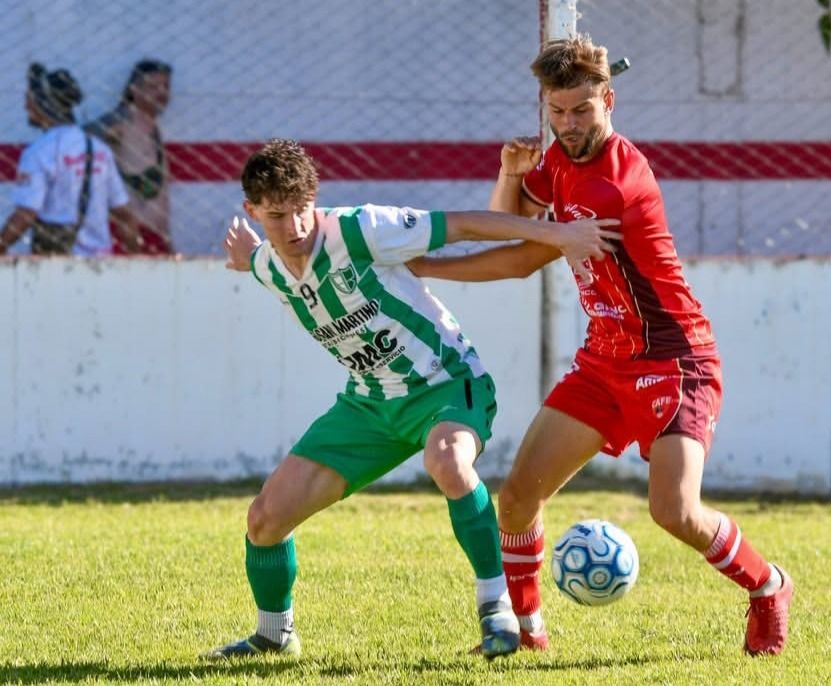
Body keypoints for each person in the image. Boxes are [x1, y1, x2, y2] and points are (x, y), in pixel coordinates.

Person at [409, 35, 794, 657]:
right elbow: (510, 218)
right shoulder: (559, 161)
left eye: (582, 110)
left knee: (674, 511)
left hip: (674, 360)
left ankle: (768, 584)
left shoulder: (612, 185)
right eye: (557, 111)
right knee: (518, 498)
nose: (568, 125)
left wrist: (426, 267)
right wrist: (512, 173)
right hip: (604, 359)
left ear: (608, 101)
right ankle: (526, 633)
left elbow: (518, 258)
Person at [204, 138, 618, 660]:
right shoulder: (269, 263)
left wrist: (558, 234)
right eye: (276, 216)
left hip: (447, 384)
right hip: (370, 405)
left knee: (447, 460)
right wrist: (245, 257)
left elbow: (463, 225)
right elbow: (256, 260)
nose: (295, 227)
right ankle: (273, 636)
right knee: (265, 519)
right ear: (253, 211)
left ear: (315, 199)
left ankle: (497, 610)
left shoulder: (360, 229)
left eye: (301, 210)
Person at [0, 64, 138, 256]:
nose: (26, 107)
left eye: (29, 100)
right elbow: (124, 214)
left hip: (58, 260)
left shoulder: (39, 152)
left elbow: (26, 213)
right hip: (101, 259)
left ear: (43, 103)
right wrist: (136, 258)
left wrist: (2, 245)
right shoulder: (98, 149)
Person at [86, 59, 173, 255]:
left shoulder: (153, 128)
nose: (162, 92)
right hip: (128, 236)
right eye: (153, 87)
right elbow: (82, 138)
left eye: (166, 86)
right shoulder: (122, 121)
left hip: (156, 236)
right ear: (134, 89)